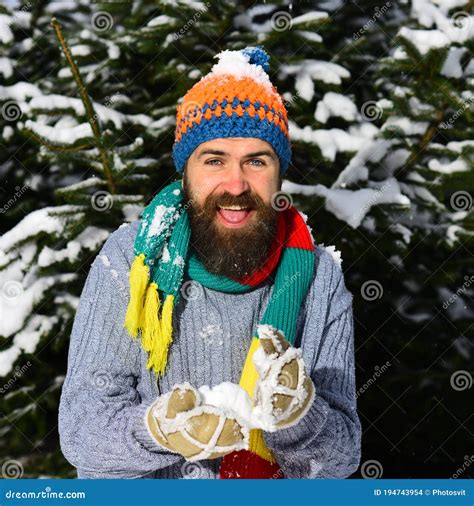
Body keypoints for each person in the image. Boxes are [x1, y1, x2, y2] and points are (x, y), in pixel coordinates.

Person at [58, 46, 361, 479]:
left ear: (279, 173)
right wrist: (160, 432)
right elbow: (81, 430)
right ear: (187, 172)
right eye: (214, 160)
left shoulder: (319, 276)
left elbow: (343, 456)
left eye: (256, 161)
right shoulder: (131, 260)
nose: (235, 184)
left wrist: (300, 418)